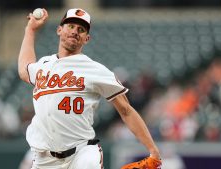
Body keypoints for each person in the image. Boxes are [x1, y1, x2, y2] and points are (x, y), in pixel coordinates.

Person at [18, 8, 161, 168]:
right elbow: (24, 70)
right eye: (70, 26)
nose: (75, 32)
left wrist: (153, 150)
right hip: (44, 160)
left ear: (87, 38)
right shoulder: (44, 65)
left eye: (81, 29)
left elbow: (126, 110)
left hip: (81, 154)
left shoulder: (95, 70)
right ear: (59, 30)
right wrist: (30, 30)